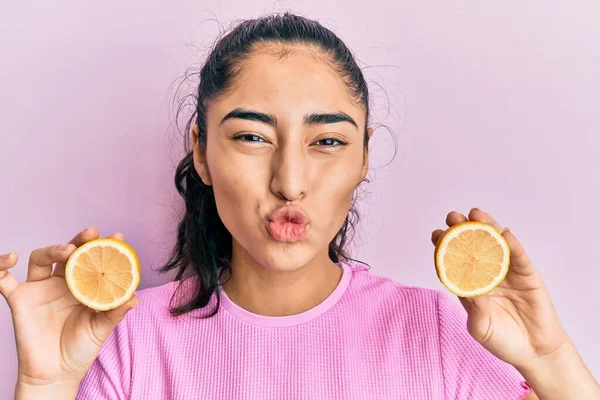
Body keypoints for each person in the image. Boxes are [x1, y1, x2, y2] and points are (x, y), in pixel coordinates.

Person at [2, 12, 598, 400]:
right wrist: (45, 383)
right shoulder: (125, 346)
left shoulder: (444, 336)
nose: (290, 181)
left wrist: (550, 357)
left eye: (328, 142)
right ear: (202, 153)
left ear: (364, 158)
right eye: (253, 137)